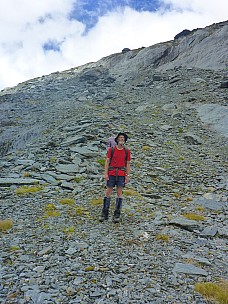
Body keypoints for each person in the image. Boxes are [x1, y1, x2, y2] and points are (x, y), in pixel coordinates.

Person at [99, 132, 131, 223]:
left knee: (119, 192)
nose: (122, 139)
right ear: (117, 139)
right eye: (120, 137)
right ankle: (104, 213)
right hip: (112, 172)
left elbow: (128, 164)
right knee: (108, 191)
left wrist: (127, 175)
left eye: (123, 138)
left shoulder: (127, 151)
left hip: (121, 173)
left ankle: (117, 214)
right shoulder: (111, 150)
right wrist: (105, 173)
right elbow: (107, 161)